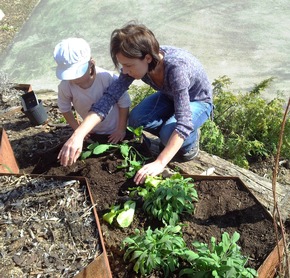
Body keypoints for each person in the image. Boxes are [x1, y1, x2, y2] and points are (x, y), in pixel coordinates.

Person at [58, 22, 213, 185]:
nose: (124, 71)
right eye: (122, 64)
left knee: (170, 133)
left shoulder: (176, 70)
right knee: (136, 120)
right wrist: (78, 135)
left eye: (128, 65)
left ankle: (189, 143)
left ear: (147, 57)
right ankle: (170, 131)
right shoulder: (139, 62)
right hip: (169, 96)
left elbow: (184, 123)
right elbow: (109, 98)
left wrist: (160, 163)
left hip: (197, 100)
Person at [53, 37, 131, 144]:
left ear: (91, 63)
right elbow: (64, 108)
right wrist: (77, 129)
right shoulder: (65, 86)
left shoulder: (107, 78)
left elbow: (124, 103)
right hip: (93, 131)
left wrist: (121, 129)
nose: (74, 79)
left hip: (115, 128)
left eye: (77, 74)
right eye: (69, 75)